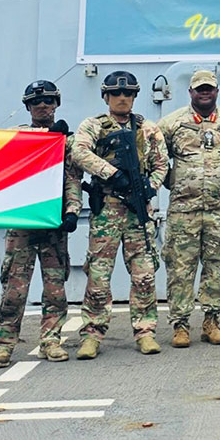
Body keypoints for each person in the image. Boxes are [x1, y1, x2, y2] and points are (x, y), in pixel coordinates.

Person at [70, 69, 169, 358]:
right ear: (106, 96)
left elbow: (162, 164)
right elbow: (79, 152)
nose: (122, 97)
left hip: (138, 211)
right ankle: (92, 334)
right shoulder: (93, 126)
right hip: (107, 209)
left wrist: (150, 187)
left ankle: (145, 331)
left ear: (135, 97)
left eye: (128, 93)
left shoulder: (148, 129)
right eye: (116, 93)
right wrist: (112, 174)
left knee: (144, 275)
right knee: (98, 275)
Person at [0, 80, 83, 366]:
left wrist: (72, 211)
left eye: (48, 101)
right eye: (36, 102)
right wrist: (42, 138)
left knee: (55, 289)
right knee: (14, 289)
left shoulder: (68, 140)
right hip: (22, 224)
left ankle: (51, 341)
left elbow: (72, 179)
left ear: (57, 104)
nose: (42, 105)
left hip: (53, 223)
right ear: (27, 107)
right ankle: (4, 344)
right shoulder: (17, 137)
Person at [161, 69, 220, 347]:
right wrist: (173, 183)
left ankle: (212, 322)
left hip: (219, 209)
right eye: (199, 88)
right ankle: (180, 325)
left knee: (219, 266)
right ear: (190, 92)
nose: (204, 92)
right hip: (183, 210)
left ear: (216, 92)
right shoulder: (172, 124)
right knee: (180, 268)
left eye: (209, 88)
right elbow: (156, 159)